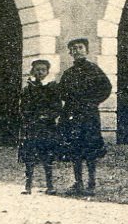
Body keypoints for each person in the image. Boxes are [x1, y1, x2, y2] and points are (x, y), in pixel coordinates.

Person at [57, 37, 113, 195]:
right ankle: (78, 182)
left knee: (90, 147)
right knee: (75, 148)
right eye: (74, 48)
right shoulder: (68, 73)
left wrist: (92, 102)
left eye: (80, 47)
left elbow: (106, 88)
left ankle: (91, 182)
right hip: (72, 114)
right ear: (70, 53)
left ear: (86, 50)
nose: (77, 51)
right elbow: (61, 92)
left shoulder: (94, 70)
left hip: (89, 115)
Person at [18, 58, 62, 194]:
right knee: (30, 158)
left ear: (47, 72)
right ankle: (28, 186)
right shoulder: (28, 89)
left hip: (47, 128)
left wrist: (48, 116)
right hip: (32, 127)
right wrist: (29, 118)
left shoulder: (52, 88)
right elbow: (23, 107)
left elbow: (57, 107)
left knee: (47, 157)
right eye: (37, 69)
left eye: (43, 70)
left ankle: (50, 186)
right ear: (32, 71)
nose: (40, 72)